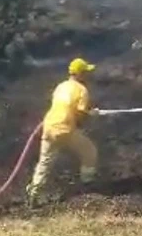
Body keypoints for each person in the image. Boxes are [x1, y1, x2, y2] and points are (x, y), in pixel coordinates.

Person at [26, 58, 101, 206]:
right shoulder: (81, 90)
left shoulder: (61, 86)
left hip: (49, 126)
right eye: (86, 72)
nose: (88, 75)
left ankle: (34, 193)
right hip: (65, 128)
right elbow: (80, 113)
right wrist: (91, 114)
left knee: (44, 163)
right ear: (80, 74)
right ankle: (87, 185)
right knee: (89, 151)